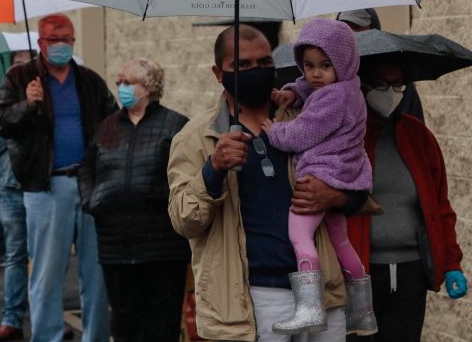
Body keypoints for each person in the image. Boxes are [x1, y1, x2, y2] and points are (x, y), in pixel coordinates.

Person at [167, 24, 369, 342]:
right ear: (218, 72)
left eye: (264, 63)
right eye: (242, 65)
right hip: (252, 300)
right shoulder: (196, 137)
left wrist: (336, 197)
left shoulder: (309, 117)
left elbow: (360, 185)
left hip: (322, 296)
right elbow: (184, 220)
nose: (256, 71)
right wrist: (213, 169)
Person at [0, 13, 117, 342]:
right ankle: (47, 336)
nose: (61, 45)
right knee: (46, 274)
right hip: (46, 188)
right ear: (40, 43)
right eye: (53, 40)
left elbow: (112, 121)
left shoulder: (89, 80)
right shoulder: (19, 77)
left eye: (67, 39)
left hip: (89, 184)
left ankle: (96, 336)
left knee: (96, 272)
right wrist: (27, 105)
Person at [262, 19, 376, 335]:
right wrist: (292, 91)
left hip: (320, 175)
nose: (314, 74)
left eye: (325, 65)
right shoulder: (349, 87)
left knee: (300, 234)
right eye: (308, 65)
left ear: (342, 62)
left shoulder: (332, 98)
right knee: (341, 240)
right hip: (346, 176)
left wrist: (276, 131)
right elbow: (311, 87)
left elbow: (301, 133)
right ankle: (363, 311)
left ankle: (310, 308)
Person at [347, 58, 468, 342]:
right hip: (358, 273)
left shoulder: (419, 137)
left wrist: (451, 263)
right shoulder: (349, 136)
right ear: (362, 85)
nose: (390, 92)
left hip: (411, 273)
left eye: (398, 84)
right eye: (381, 84)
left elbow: (440, 208)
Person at [78, 58, 190, 342]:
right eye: (119, 83)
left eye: (127, 83)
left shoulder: (175, 125)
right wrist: (92, 201)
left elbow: (189, 175)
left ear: (148, 86)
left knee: (161, 322)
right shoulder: (107, 127)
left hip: (162, 247)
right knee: (126, 323)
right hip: (116, 245)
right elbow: (86, 168)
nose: (121, 88)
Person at [0, 50, 33, 342]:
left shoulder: (44, 101)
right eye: (17, 64)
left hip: (40, 188)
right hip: (11, 191)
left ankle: (45, 318)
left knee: (45, 260)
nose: (21, 69)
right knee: (15, 257)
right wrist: (9, 130)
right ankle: (11, 320)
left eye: (27, 63)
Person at [336, 9, 424, 122]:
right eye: (345, 29)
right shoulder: (326, 77)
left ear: (374, 31)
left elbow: (414, 130)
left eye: (357, 27)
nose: (351, 34)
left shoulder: (394, 76)